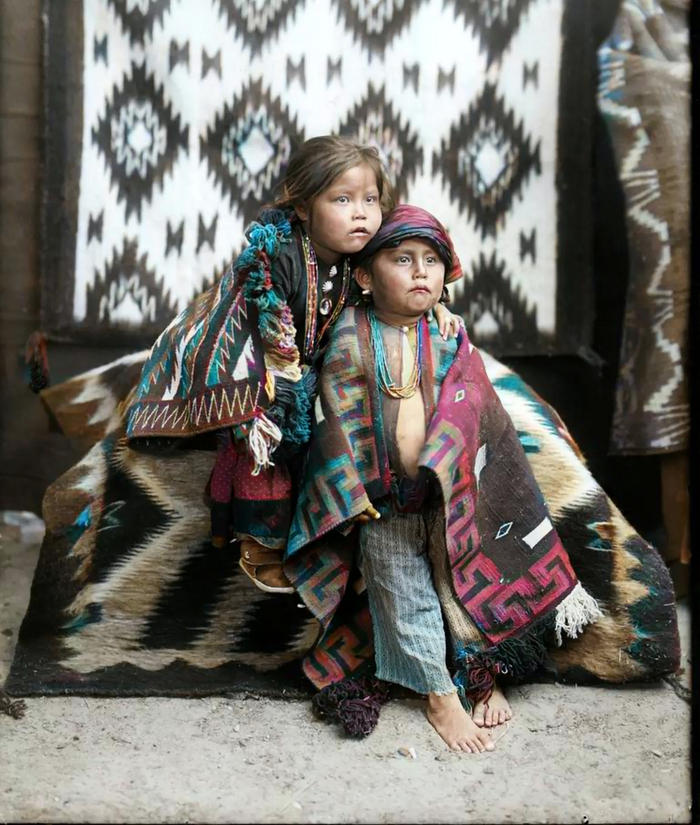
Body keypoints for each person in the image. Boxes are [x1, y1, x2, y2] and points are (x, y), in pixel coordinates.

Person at [283, 205, 607, 753]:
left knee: (462, 586)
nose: (420, 272)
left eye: (431, 261)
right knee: (401, 593)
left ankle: (480, 676)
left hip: (450, 498)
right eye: (402, 259)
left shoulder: (447, 335)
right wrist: (350, 492)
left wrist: (441, 317)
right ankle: (438, 695)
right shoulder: (348, 335)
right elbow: (333, 420)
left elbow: (478, 413)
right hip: (382, 503)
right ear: (365, 277)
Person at [124, 138, 463, 594]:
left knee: (350, 403)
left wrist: (435, 304)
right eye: (342, 200)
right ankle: (258, 536)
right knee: (271, 422)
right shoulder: (277, 256)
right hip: (259, 354)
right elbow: (252, 322)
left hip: (308, 359)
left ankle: (343, 528)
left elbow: (403, 274)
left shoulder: (360, 254)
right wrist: (279, 383)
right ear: (303, 207)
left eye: (370, 200)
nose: (361, 214)